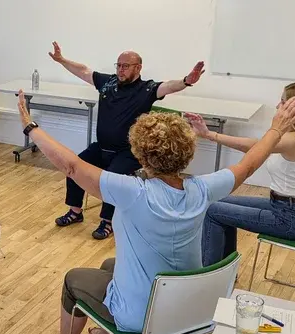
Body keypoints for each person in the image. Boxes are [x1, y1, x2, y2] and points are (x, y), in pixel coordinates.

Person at [18, 89, 295, 334]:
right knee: (109, 265)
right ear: (188, 152)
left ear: (139, 151)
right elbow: (249, 164)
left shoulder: (133, 192)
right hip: (189, 310)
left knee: (73, 280)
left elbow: (71, 166)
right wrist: (276, 130)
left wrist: (30, 126)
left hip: (146, 317)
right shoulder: (203, 189)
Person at [48, 42, 206, 239]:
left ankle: (107, 221)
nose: (120, 70)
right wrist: (62, 60)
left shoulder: (147, 89)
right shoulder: (108, 83)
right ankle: (75, 211)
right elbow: (84, 71)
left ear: (138, 68)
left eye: (125, 66)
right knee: (73, 165)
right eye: (118, 65)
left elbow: (168, 86)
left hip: (128, 152)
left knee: (112, 179)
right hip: (102, 147)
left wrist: (186, 81)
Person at [185, 81, 295, 267]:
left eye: (283, 102)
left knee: (211, 211)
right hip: (294, 209)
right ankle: (224, 270)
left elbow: (253, 146)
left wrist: (209, 135)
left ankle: (208, 276)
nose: (278, 107)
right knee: (216, 202)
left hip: (292, 219)